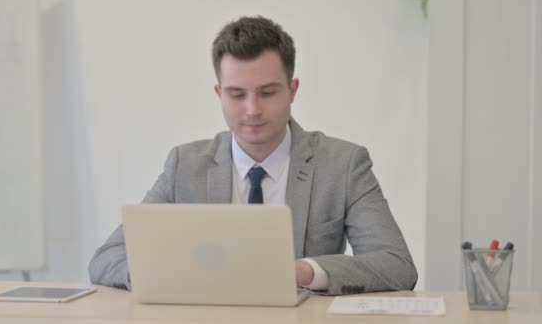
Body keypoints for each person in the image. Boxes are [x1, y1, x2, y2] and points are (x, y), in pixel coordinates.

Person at [88, 16, 417, 295]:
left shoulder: (343, 164)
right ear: (219, 94)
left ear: (293, 90)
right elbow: (107, 258)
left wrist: (303, 271)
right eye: (236, 94)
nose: (252, 110)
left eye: (267, 92)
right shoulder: (184, 166)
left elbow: (396, 266)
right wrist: (161, 276)